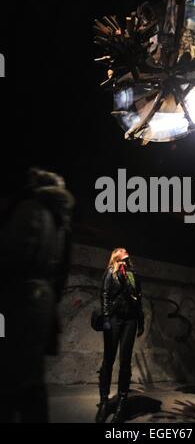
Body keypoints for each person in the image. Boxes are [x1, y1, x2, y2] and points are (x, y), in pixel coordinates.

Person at [0, 167, 75, 423]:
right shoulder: (60, 222)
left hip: (19, 300)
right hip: (43, 302)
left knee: (10, 374)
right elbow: (63, 269)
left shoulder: (30, 209)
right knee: (31, 376)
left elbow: (10, 255)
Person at [96, 248, 144, 424]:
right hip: (114, 320)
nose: (125, 250)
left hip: (130, 321)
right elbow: (105, 294)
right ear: (116, 255)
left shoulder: (132, 274)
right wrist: (107, 317)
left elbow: (138, 298)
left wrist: (141, 322)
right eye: (121, 250)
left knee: (125, 361)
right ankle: (104, 403)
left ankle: (122, 404)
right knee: (108, 360)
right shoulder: (111, 272)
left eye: (126, 250)